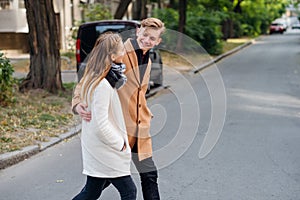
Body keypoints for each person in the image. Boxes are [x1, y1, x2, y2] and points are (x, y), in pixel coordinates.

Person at [72, 17, 165, 200]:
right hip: (118, 130)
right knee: (98, 185)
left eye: (152, 38)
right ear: (138, 31)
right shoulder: (119, 53)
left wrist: (146, 114)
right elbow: (87, 79)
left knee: (149, 176)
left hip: (140, 131)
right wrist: (77, 104)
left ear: (158, 42)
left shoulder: (148, 60)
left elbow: (140, 93)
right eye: (145, 35)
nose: (147, 40)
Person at [72, 32, 137, 200]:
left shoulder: (101, 76)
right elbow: (100, 123)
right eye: (121, 50)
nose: (124, 53)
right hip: (106, 147)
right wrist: (120, 143)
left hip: (99, 146)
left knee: (91, 192)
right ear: (112, 55)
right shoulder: (102, 83)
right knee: (129, 191)